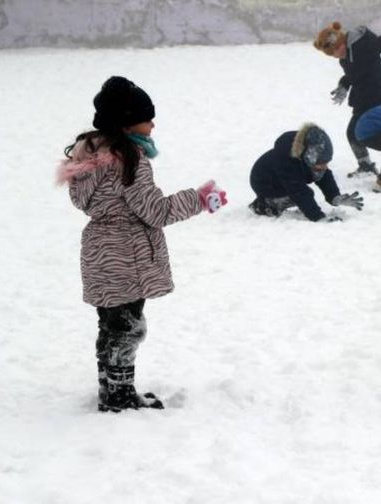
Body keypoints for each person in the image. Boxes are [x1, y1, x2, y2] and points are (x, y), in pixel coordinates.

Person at [57, 76, 227, 412]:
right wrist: (201, 198)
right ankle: (119, 398)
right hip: (127, 254)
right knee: (128, 328)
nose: (152, 123)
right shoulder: (129, 160)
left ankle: (111, 389)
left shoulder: (90, 156)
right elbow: (156, 211)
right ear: (126, 122)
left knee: (111, 326)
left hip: (99, 249)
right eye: (147, 117)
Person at [314, 19, 381, 178]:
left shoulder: (363, 46)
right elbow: (352, 74)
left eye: (336, 49)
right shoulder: (345, 57)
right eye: (332, 54)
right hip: (362, 100)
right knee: (353, 133)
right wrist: (343, 85)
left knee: (377, 133)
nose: (336, 54)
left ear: (341, 41)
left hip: (380, 97)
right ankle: (365, 165)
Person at [248, 123, 363, 222]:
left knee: (307, 192)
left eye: (326, 163)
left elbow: (324, 176)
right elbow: (298, 191)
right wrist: (318, 217)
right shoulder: (286, 159)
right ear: (310, 156)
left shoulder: (308, 154)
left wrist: (335, 197)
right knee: (302, 195)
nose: (324, 166)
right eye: (321, 163)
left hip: (286, 180)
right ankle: (265, 205)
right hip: (267, 183)